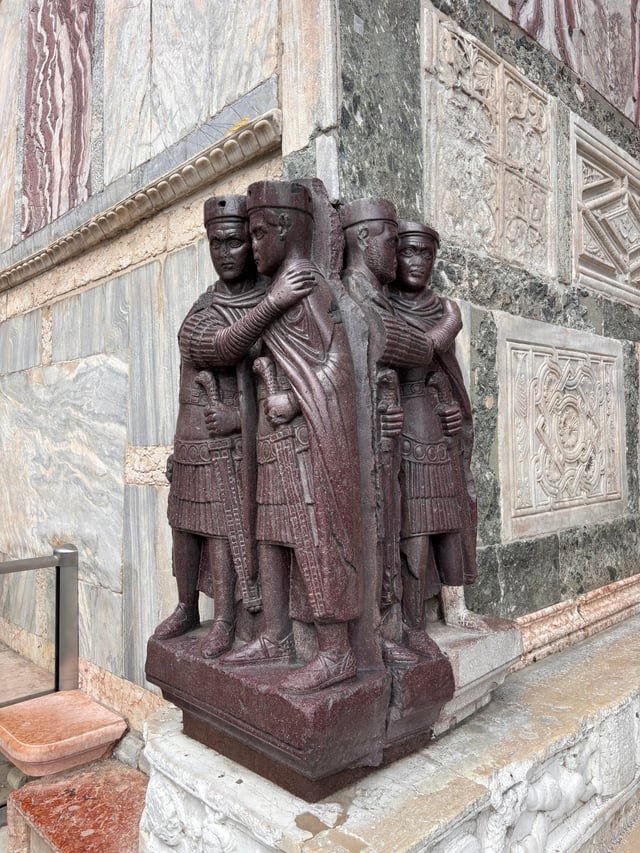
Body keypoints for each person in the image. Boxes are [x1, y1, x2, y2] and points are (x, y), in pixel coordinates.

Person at [186, 181, 363, 694]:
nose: (252, 244)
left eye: (259, 233)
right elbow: (223, 348)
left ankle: (335, 653)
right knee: (273, 542)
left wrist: (296, 400)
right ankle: (276, 637)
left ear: (286, 231)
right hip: (272, 444)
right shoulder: (277, 291)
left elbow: (337, 368)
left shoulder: (307, 287)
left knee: (314, 539)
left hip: (306, 442)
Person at [154, 194, 265, 658]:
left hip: (235, 444)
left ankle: (225, 619)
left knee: (222, 529)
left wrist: (242, 417)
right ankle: (186, 607)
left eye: (235, 242)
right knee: (185, 527)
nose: (224, 252)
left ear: (252, 245)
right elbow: (210, 348)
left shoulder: (266, 301)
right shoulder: (205, 306)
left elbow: (277, 377)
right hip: (192, 437)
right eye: (216, 243)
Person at [388, 220, 485, 632]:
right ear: (393, 255)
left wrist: (453, 411)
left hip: (439, 431)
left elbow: (447, 373)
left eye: (425, 254)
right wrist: (447, 328)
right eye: (408, 252)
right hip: (403, 430)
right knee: (412, 525)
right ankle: (411, 618)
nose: (417, 261)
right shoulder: (384, 306)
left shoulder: (441, 306)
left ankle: (456, 606)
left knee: (450, 518)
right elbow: (402, 356)